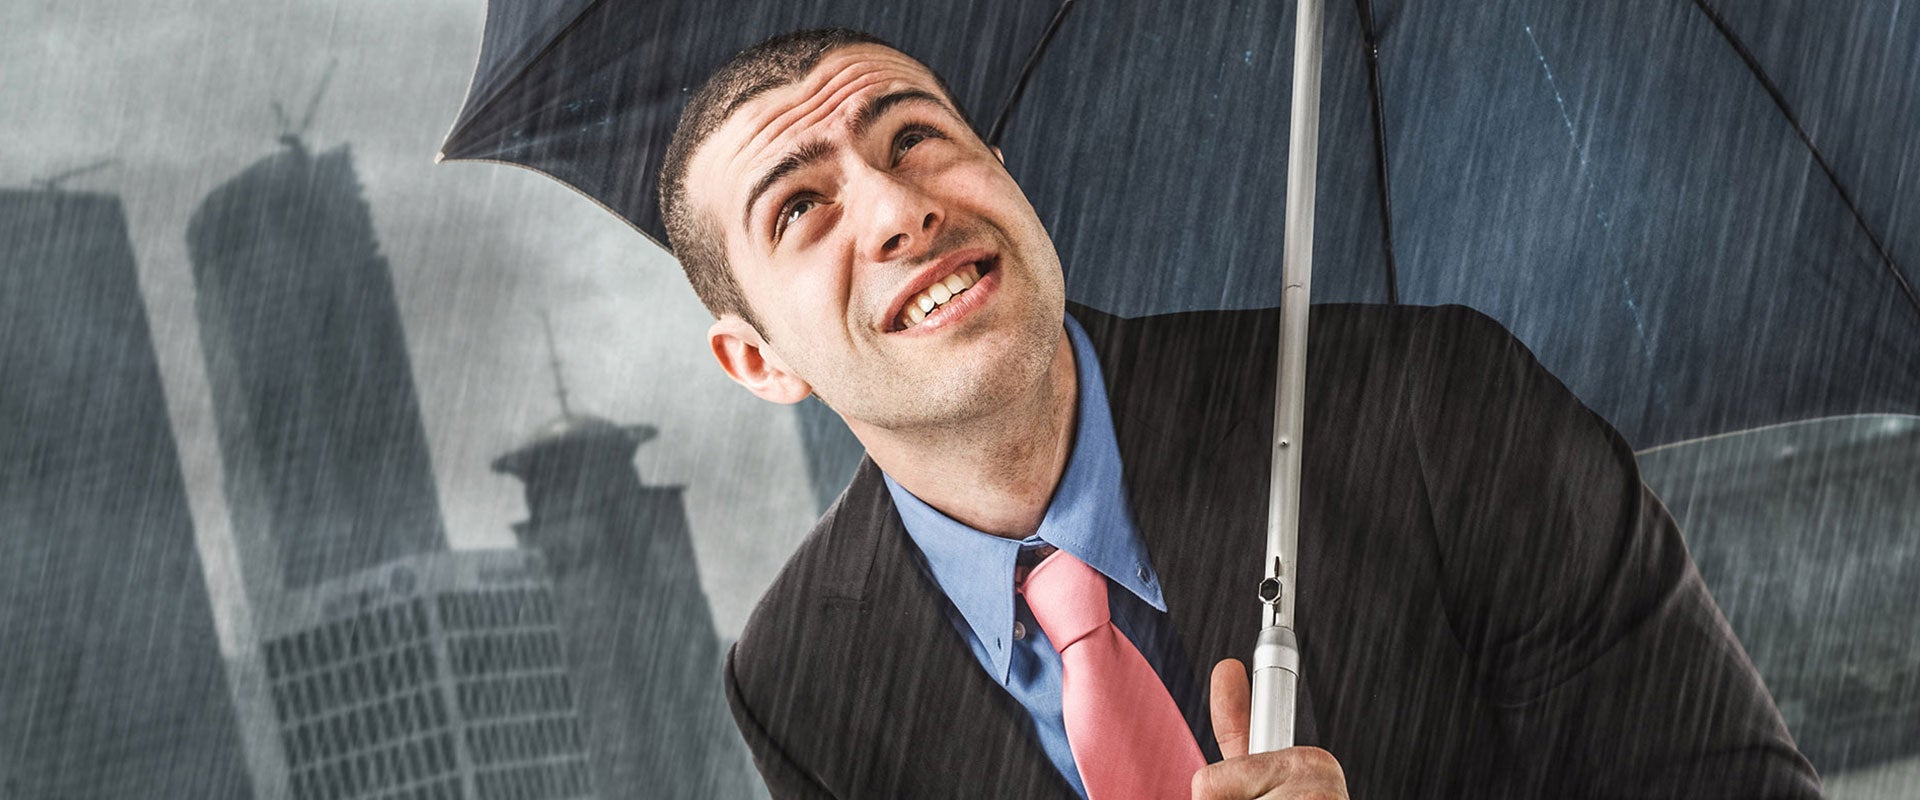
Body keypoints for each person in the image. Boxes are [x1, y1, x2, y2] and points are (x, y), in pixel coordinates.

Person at [655, 27, 1822, 800]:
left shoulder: (1437, 409)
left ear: (1003, 172)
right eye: (801, 206)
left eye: (915, 136)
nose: (900, 206)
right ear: (757, 358)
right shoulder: (802, 674)